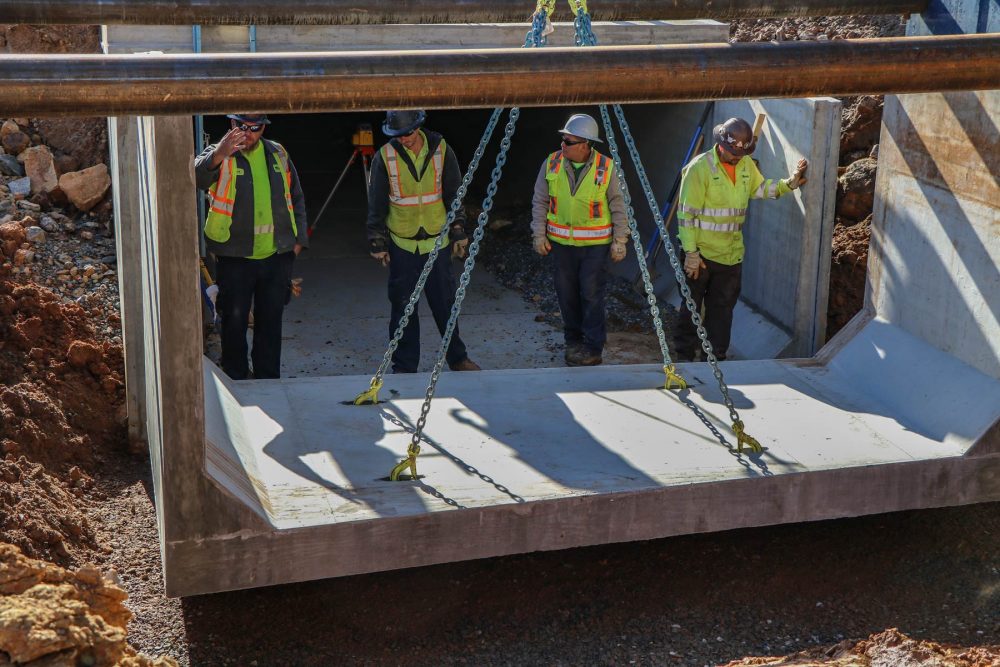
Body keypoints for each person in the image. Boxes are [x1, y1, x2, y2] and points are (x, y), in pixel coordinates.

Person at [673, 117, 808, 362]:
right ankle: (683, 356)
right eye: (733, 152)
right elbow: (686, 216)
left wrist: (789, 184)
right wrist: (691, 254)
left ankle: (715, 358)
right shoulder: (699, 168)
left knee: (722, 311)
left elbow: (759, 188)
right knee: (692, 307)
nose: (737, 157)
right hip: (700, 255)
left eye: (740, 153)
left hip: (730, 254)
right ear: (721, 145)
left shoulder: (745, 165)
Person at [195, 113, 307, 380]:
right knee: (234, 320)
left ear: (263, 128)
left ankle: (268, 378)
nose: (248, 133)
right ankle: (235, 375)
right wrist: (219, 154)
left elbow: (296, 196)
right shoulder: (221, 154)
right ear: (233, 125)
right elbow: (196, 177)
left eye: (255, 128)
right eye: (242, 127)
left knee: (270, 322)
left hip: (276, 256)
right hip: (236, 256)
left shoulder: (277, 153)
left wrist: (299, 240)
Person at [366, 109, 480, 374]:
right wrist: (377, 240)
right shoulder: (385, 156)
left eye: (407, 134)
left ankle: (458, 358)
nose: (403, 139)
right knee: (403, 309)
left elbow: (454, 191)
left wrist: (459, 229)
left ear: (418, 127)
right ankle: (404, 366)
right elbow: (377, 202)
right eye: (398, 135)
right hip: (402, 243)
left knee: (445, 305)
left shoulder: (441, 149)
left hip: (436, 244)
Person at [531, 113, 628, 367]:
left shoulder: (606, 168)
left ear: (585, 144)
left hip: (595, 245)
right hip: (562, 244)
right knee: (567, 295)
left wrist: (620, 239)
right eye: (563, 140)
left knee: (592, 293)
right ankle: (573, 342)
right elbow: (540, 200)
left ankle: (593, 347)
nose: (562, 145)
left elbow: (618, 203)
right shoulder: (551, 163)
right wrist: (539, 234)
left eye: (568, 142)